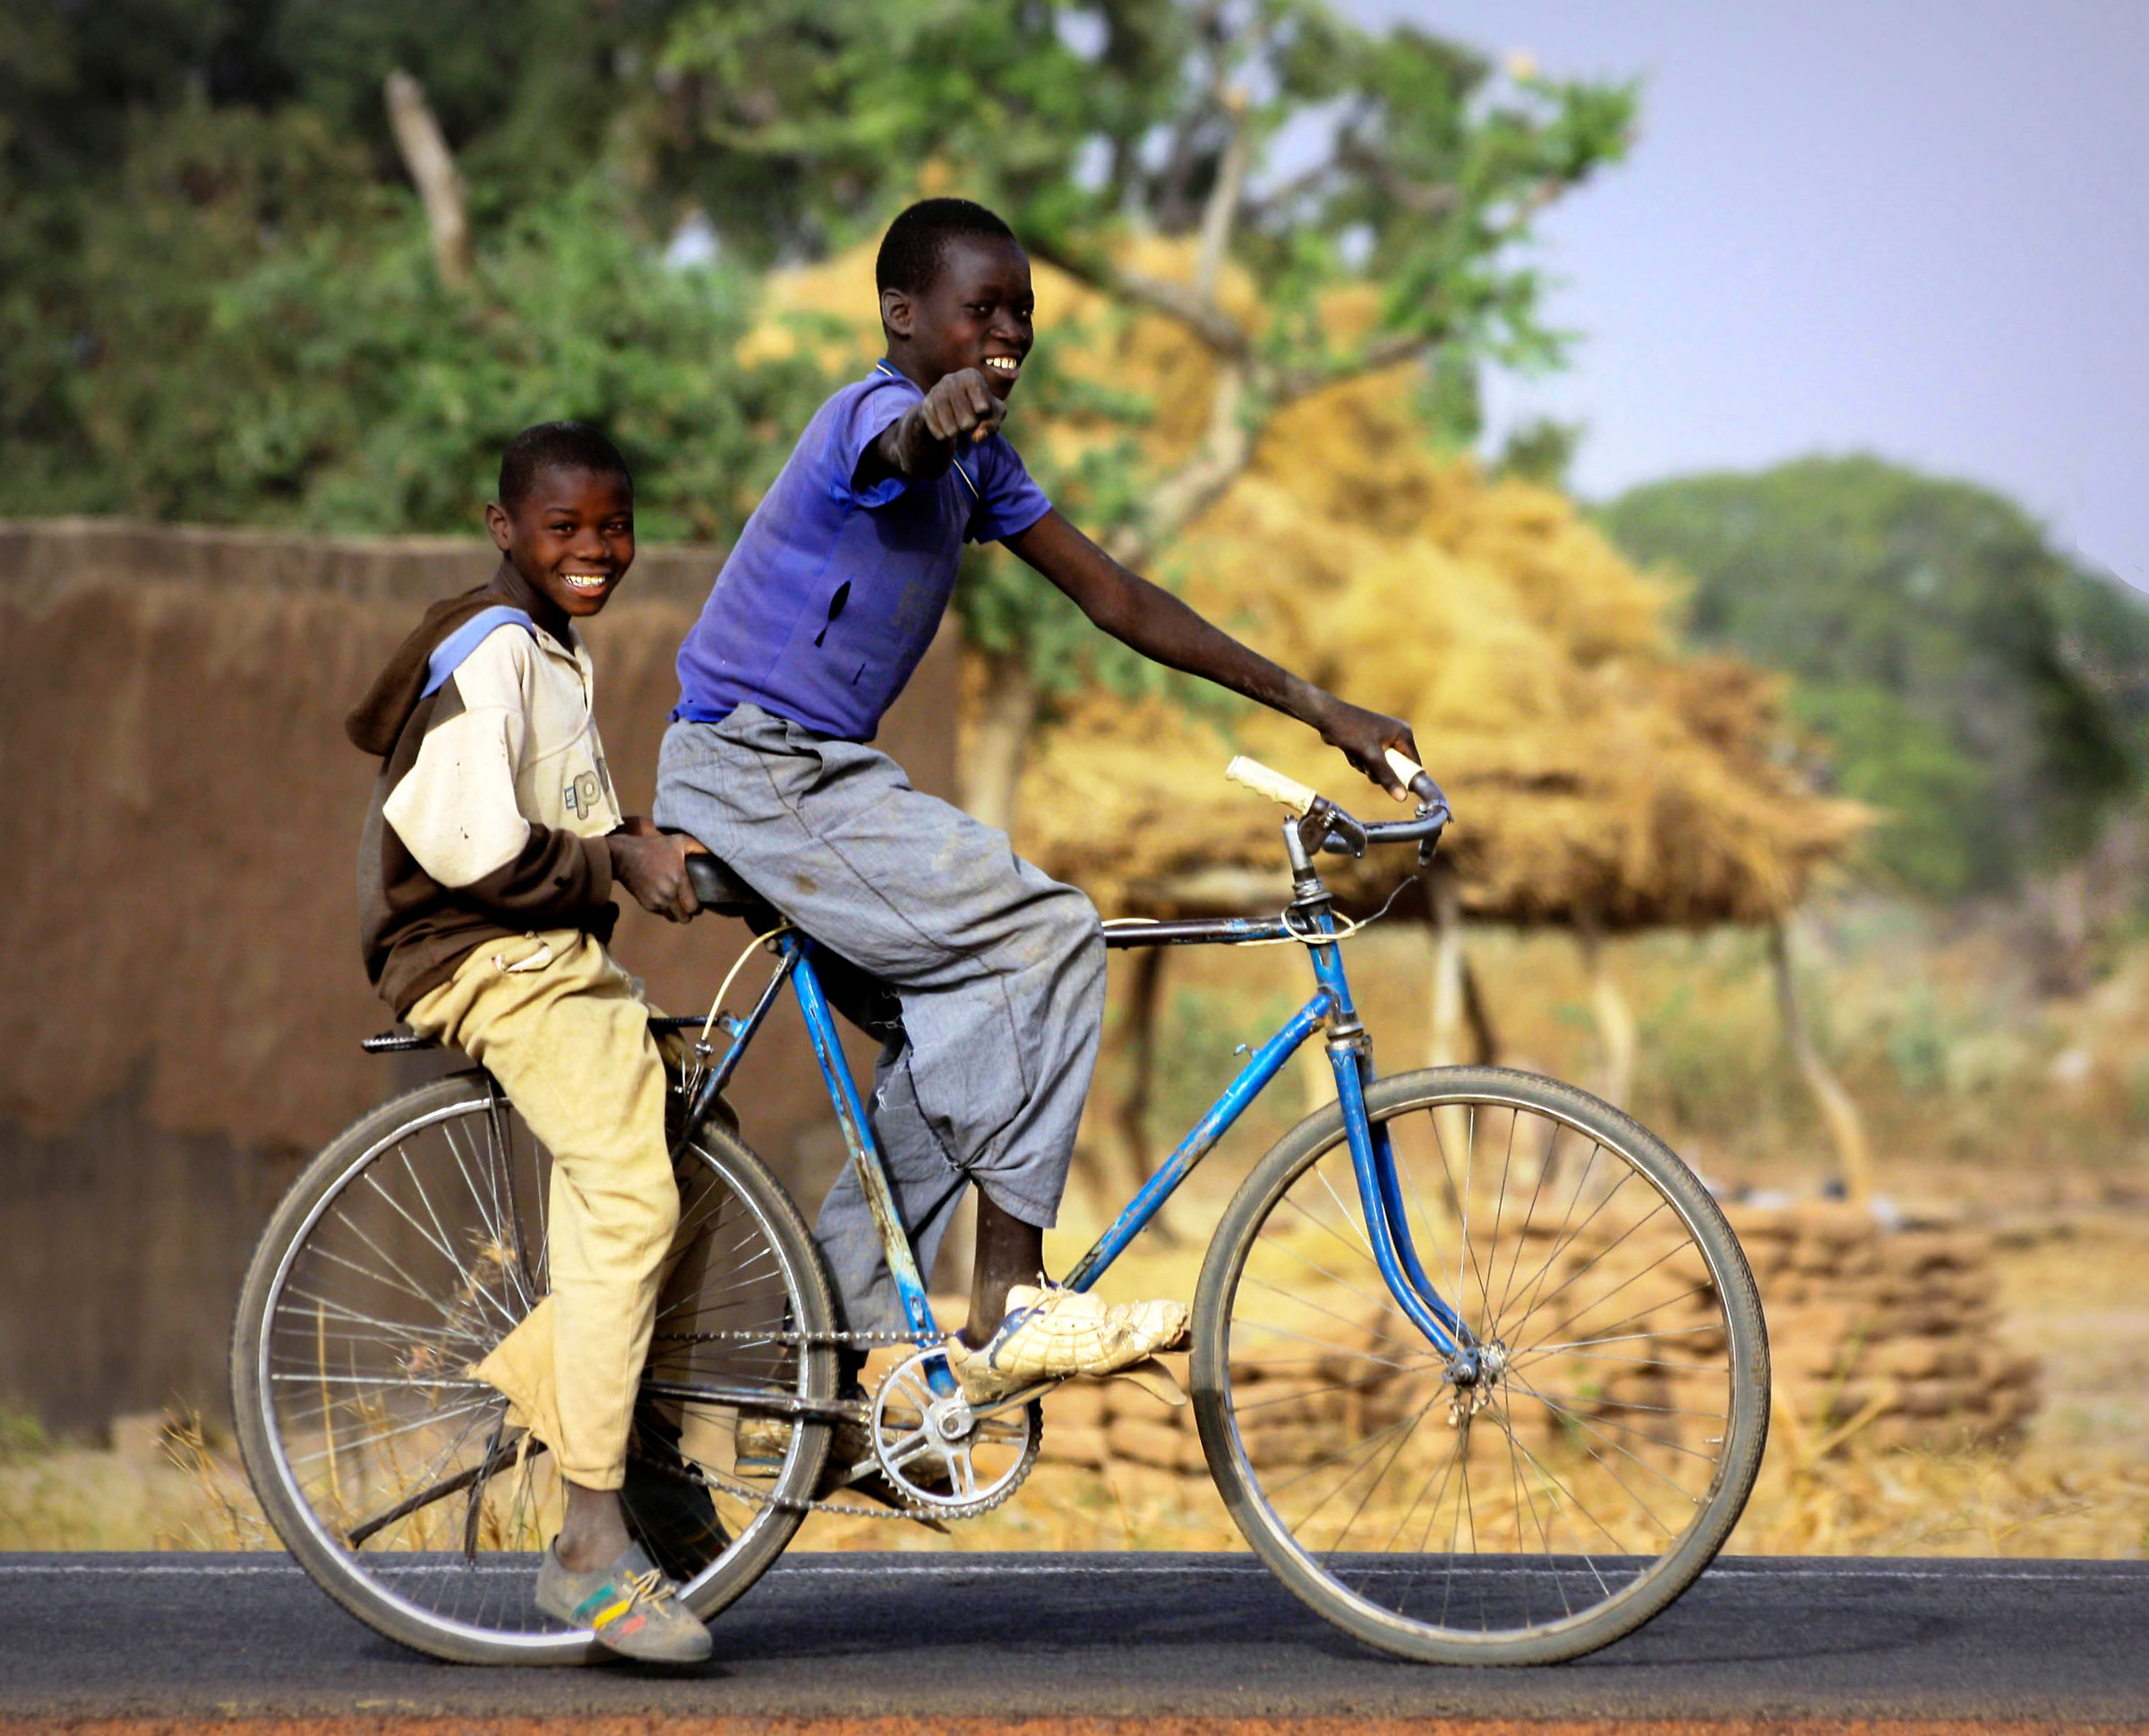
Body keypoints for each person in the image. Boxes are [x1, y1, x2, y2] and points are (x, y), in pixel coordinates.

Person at [652, 198, 1423, 1434]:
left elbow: (1119, 600)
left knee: (951, 1044)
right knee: (1045, 932)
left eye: (1023, 311)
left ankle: (805, 1380)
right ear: (903, 316)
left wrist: (1320, 707)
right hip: (759, 768)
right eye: (982, 309)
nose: (1010, 331)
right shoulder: (864, 415)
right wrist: (933, 417)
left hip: (822, 777)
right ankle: (1008, 1301)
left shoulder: (987, 470)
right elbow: (895, 449)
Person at [346, 422, 715, 1663]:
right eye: (564, 528)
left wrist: (643, 844)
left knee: (689, 1138)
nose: (595, 549)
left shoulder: (550, 645)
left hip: (534, 948)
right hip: (481, 954)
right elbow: (470, 844)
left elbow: (567, 816)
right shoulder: (497, 647)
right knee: (629, 1193)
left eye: (615, 527)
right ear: (504, 529)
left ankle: (614, 1422)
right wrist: (610, 863)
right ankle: (593, 1542)